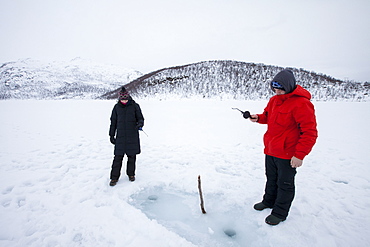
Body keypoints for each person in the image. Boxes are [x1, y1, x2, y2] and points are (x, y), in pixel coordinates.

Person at [247, 69, 318, 225]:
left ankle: (280, 213)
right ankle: (268, 201)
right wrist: (258, 118)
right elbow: (267, 116)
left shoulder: (302, 104)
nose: (277, 91)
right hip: (271, 150)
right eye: (274, 87)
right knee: (271, 179)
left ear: (289, 86)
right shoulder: (274, 100)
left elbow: (310, 132)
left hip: (288, 154)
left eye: (280, 88)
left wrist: (300, 155)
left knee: (285, 184)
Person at [109, 86, 144, 186]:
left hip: (132, 135)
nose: (124, 101)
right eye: (122, 99)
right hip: (120, 137)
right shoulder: (116, 108)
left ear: (128, 97)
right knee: (117, 158)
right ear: (119, 98)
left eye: (125, 99)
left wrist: (140, 124)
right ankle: (114, 178)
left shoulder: (135, 106)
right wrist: (111, 135)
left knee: (131, 157)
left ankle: (131, 174)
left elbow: (140, 118)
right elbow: (113, 122)